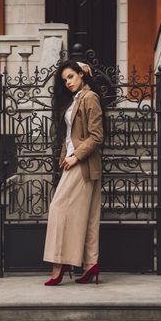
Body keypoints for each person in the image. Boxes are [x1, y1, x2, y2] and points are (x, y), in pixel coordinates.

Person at [43, 60, 104, 286]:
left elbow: (96, 136)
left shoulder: (90, 98)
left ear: (81, 75)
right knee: (87, 218)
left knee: (58, 208)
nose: (68, 82)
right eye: (64, 79)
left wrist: (75, 156)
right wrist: (66, 157)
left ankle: (60, 265)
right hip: (75, 162)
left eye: (71, 76)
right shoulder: (76, 99)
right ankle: (91, 265)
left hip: (82, 163)